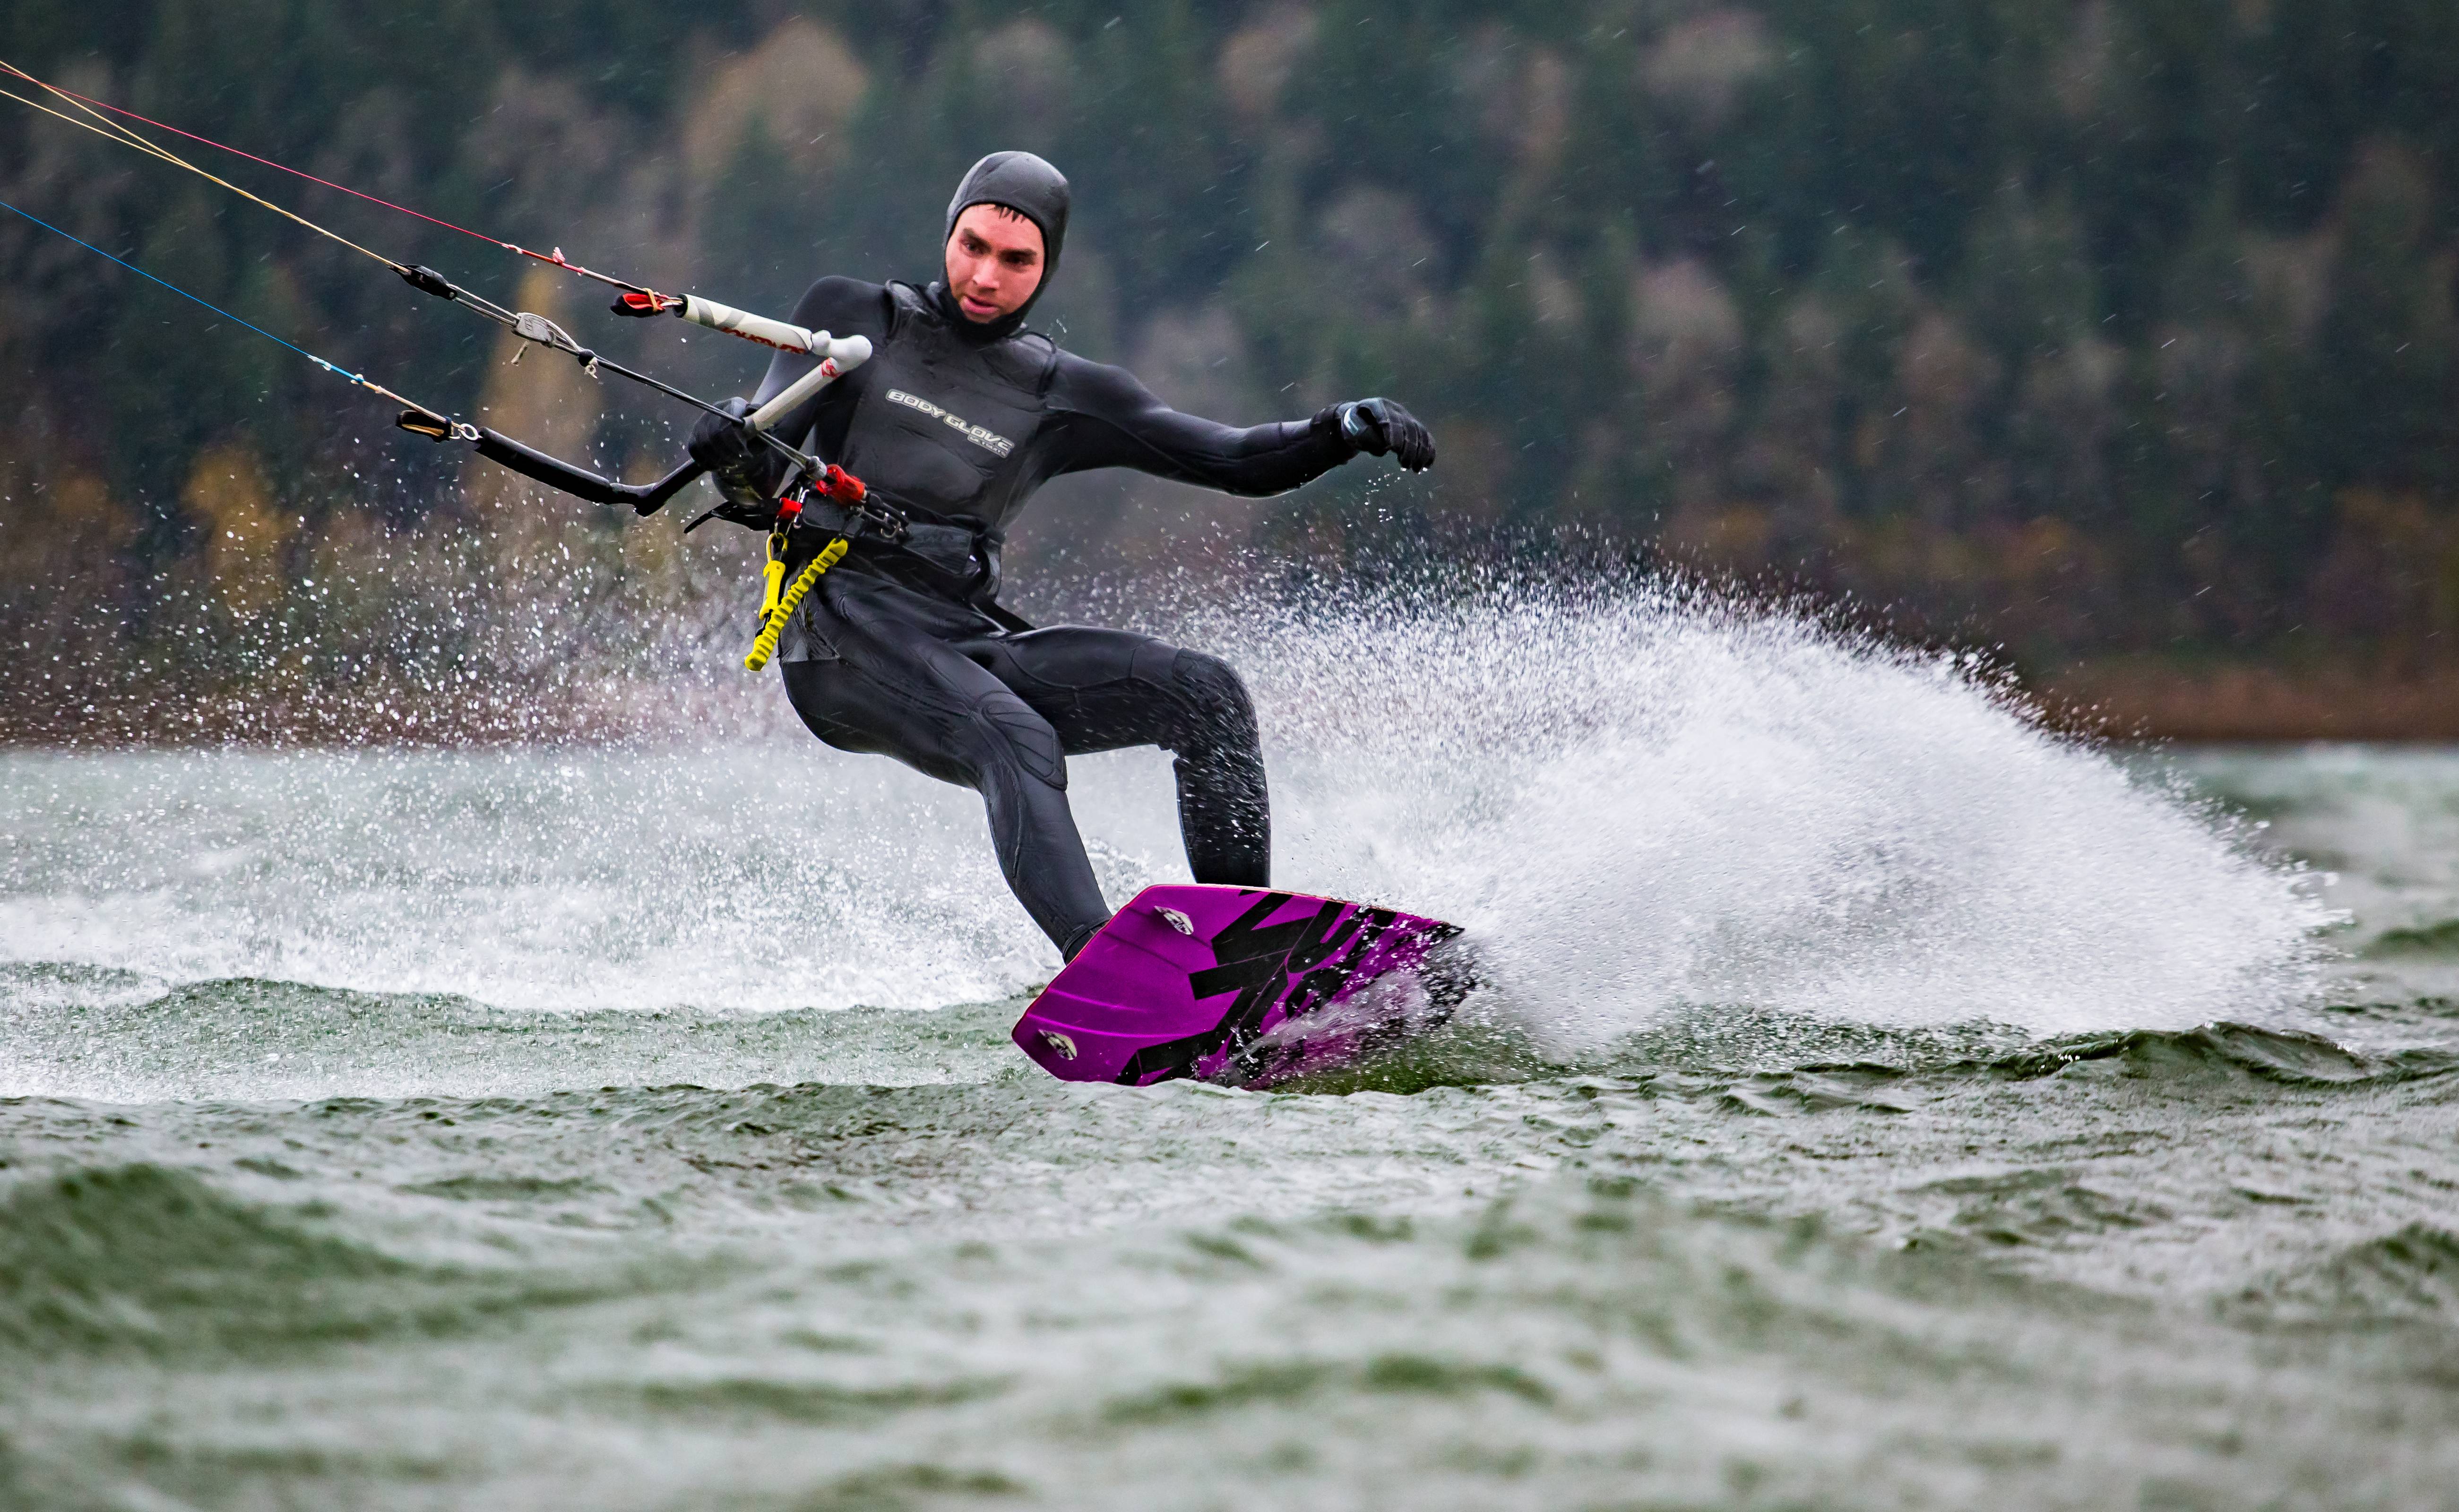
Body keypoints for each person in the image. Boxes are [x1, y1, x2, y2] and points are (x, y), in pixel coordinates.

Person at [689, 151, 1435, 960]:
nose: (985, 274)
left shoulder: (1063, 391)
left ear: (1047, 269)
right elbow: (760, 472)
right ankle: (1113, 973)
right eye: (972, 245)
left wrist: (1336, 431)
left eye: (1016, 260)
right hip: (837, 635)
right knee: (1013, 736)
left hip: (961, 639)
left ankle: (1244, 958)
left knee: (1205, 695)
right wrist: (736, 444)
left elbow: (1232, 459)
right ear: (949, 232)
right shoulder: (856, 317)